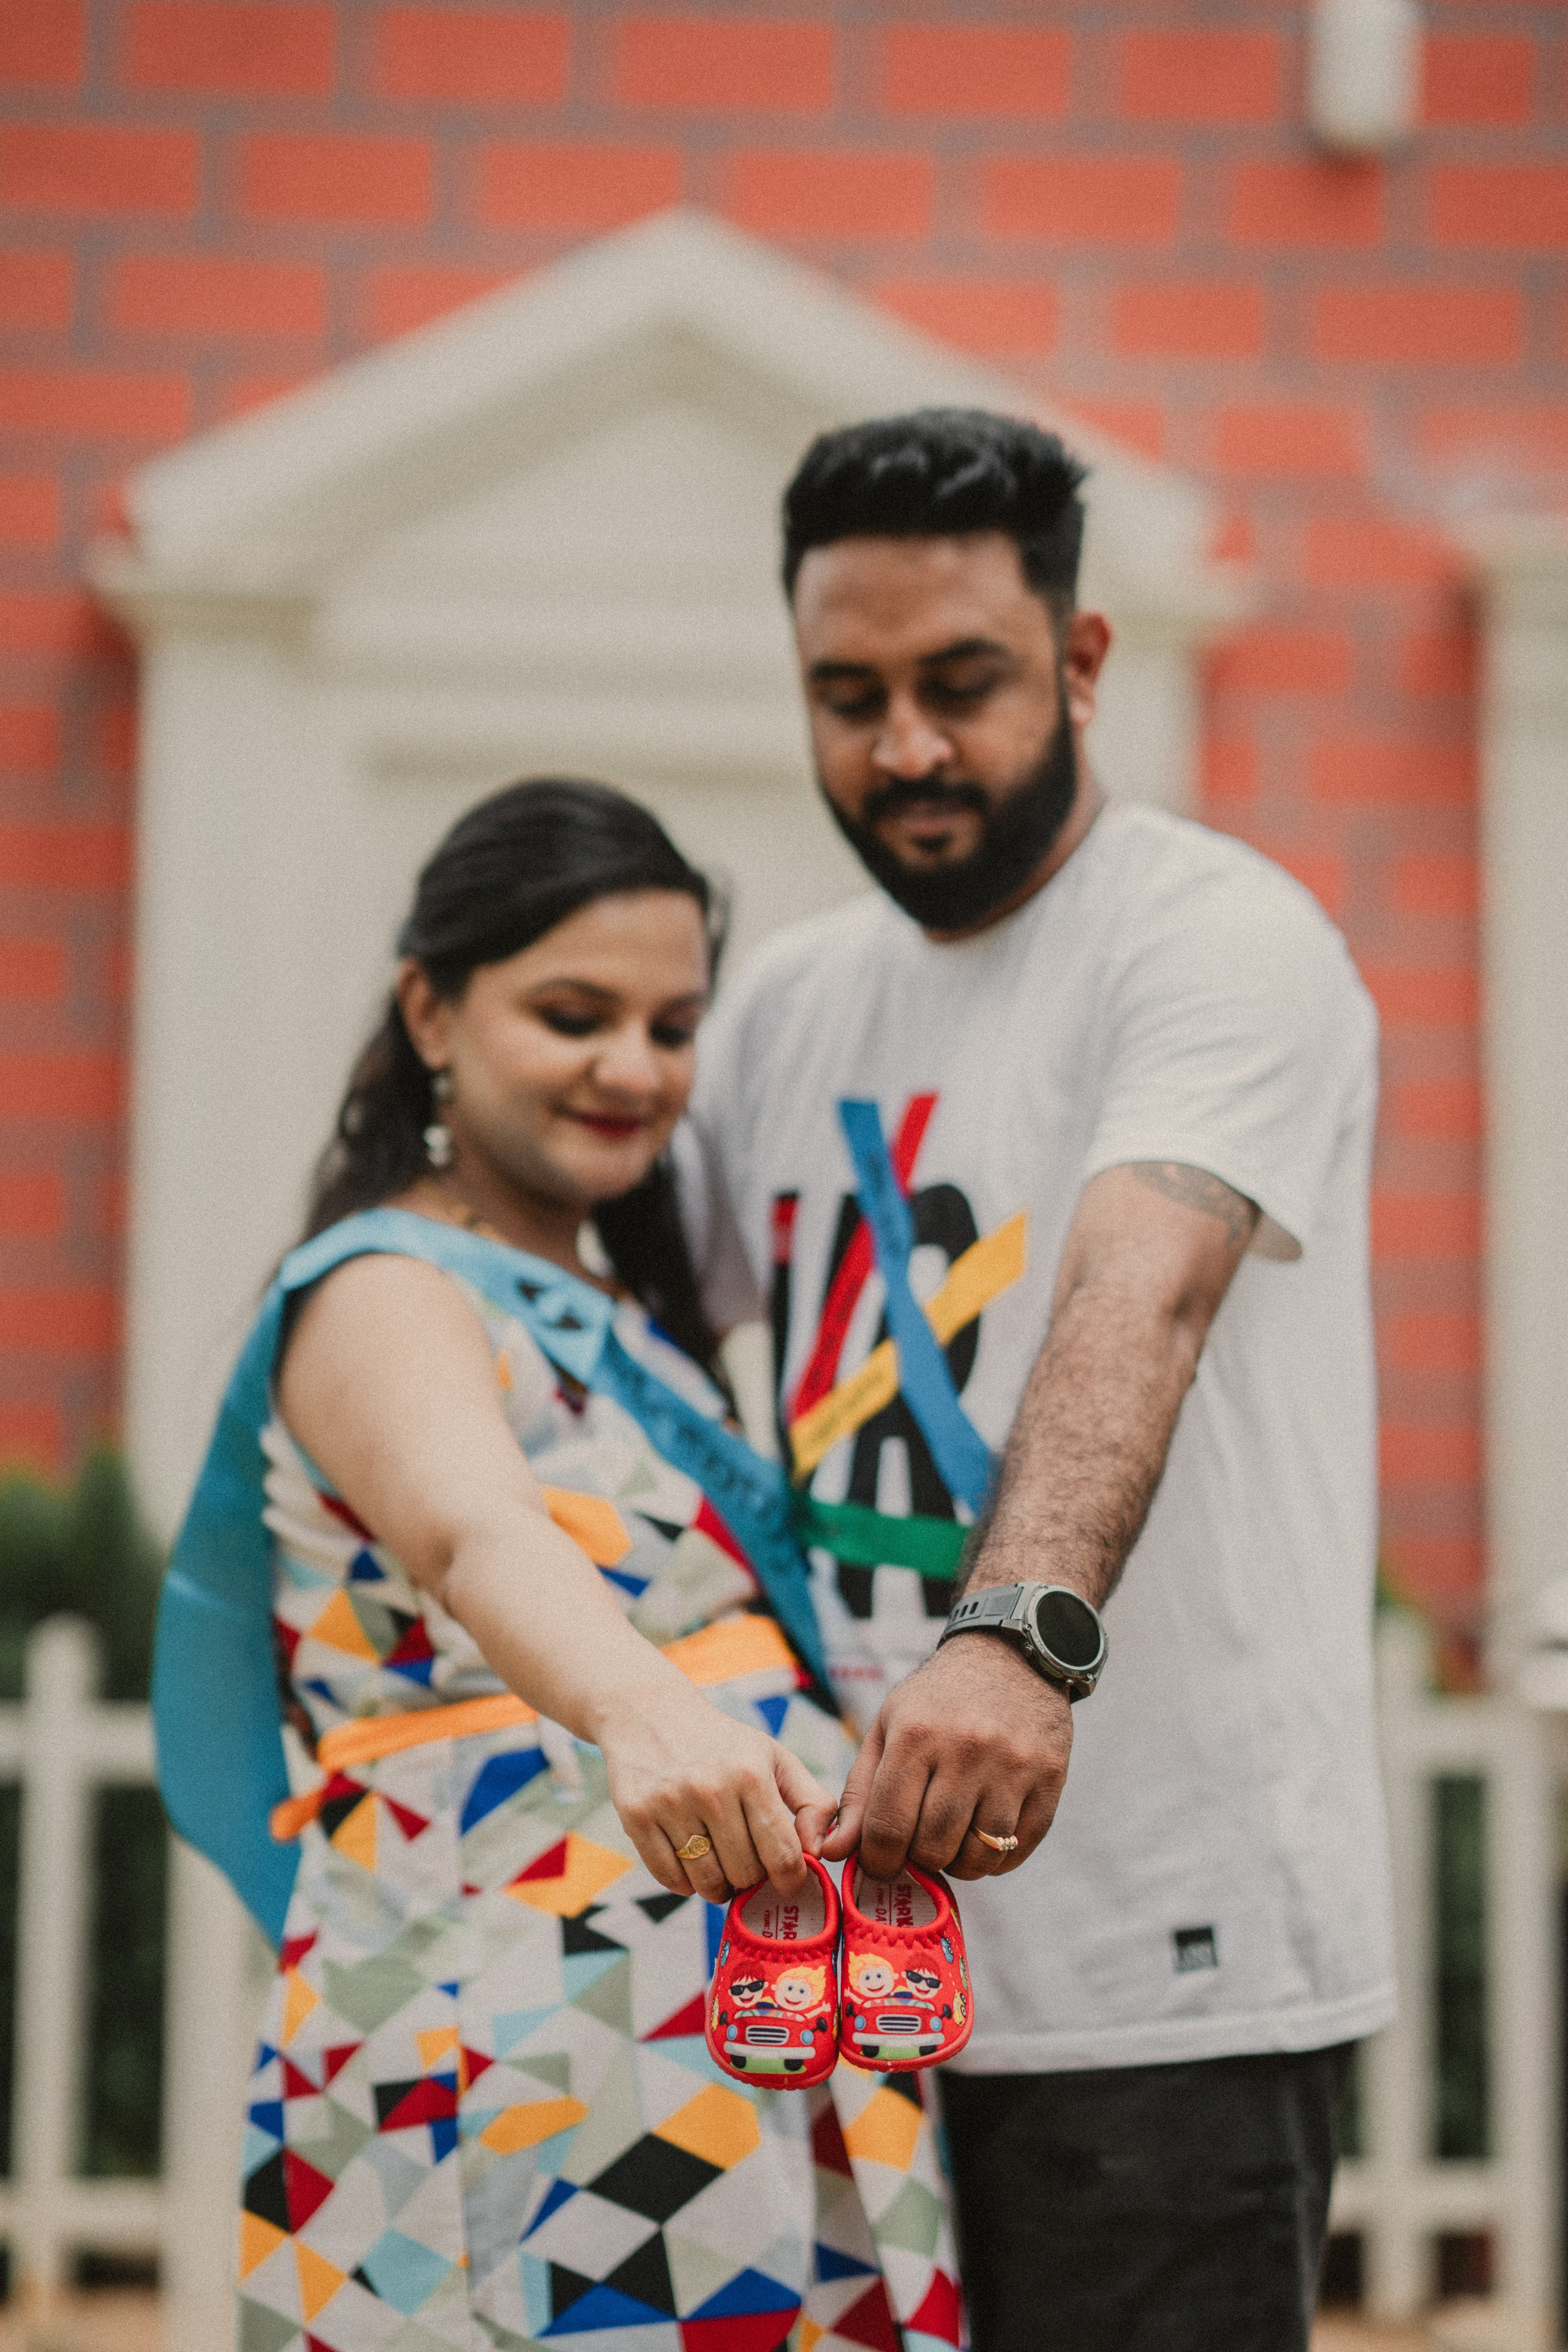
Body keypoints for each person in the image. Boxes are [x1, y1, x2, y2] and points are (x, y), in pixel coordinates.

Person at [679, 411, 1395, 2351]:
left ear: (1081, 664)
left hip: (1154, 1974)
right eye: (850, 696)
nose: (905, 744)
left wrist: (1014, 1639)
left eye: (962, 682)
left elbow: (1139, 1290)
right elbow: (622, 1346)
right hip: (818, 1969)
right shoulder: (785, 1006)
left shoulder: (1217, 940)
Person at [153, 779, 964, 2352]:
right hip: (517, 2029)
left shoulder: (617, 1304)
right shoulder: (385, 1288)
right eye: (572, 1016)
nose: (634, 1069)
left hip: (715, 2014)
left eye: (672, 1028)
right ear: (430, 1012)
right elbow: (478, 1533)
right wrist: (645, 1712)